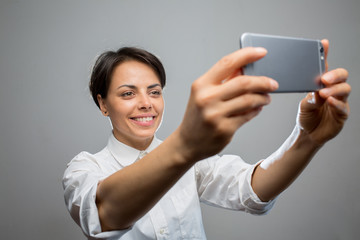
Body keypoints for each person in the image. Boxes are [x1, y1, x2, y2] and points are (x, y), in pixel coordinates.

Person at [63, 42, 351, 239]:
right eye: (128, 94)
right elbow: (103, 213)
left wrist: (306, 139)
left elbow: (251, 188)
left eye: (154, 91)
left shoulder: (193, 163)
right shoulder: (83, 169)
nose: (145, 103)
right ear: (102, 104)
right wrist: (186, 145)